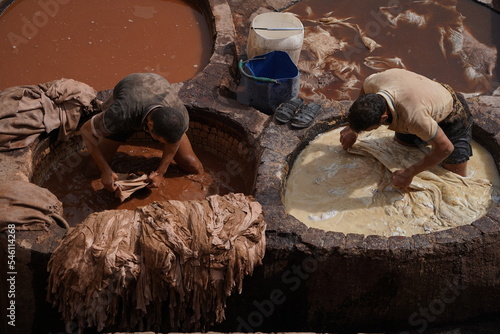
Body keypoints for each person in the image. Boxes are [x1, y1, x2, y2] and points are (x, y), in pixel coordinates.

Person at [340, 68, 473, 188]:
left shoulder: (413, 118)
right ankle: (425, 138)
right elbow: (364, 90)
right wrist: (352, 129)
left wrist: (409, 173)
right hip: (420, 99)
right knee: (402, 148)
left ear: (383, 118)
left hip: (450, 113)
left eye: (369, 129)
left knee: (454, 175)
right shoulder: (372, 83)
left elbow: (445, 148)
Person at [80, 73, 204, 192]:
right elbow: (86, 131)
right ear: (149, 126)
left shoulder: (178, 115)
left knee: (192, 165)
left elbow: (174, 142)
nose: (164, 144)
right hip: (132, 90)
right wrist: (105, 170)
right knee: (93, 169)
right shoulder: (120, 114)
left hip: (155, 85)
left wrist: (160, 173)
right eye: (160, 140)